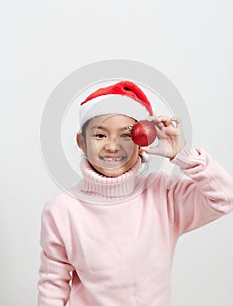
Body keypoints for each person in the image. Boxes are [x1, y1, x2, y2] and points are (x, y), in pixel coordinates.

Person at [38, 80, 233, 306]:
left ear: (142, 142)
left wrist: (184, 155)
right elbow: (53, 285)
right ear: (81, 142)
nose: (112, 146)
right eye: (100, 135)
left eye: (125, 135)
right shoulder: (61, 210)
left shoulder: (163, 194)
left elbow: (224, 197)